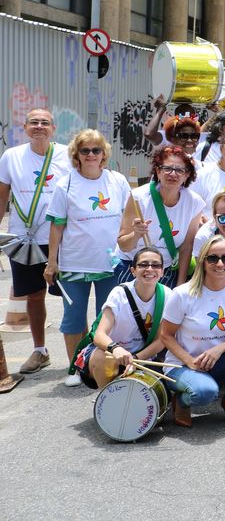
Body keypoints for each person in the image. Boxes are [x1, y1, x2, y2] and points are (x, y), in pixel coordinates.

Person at [43, 129, 132, 385]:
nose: (91, 155)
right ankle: (74, 369)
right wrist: (52, 261)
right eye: (85, 150)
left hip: (111, 263)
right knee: (74, 318)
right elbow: (56, 225)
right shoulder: (65, 184)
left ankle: (102, 365)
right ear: (76, 154)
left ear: (104, 154)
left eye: (96, 150)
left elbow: (129, 217)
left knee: (107, 319)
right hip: (74, 264)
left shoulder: (117, 180)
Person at [161, 237, 225, 426]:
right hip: (183, 364)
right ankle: (182, 401)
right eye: (213, 258)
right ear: (202, 261)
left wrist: (220, 349)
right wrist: (189, 361)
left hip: (217, 360)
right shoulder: (182, 293)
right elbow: (165, 335)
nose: (220, 263)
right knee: (205, 393)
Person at [0, 108, 71, 374]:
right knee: (33, 295)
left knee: (70, 294)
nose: (39, 126)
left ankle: (78, 354)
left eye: (44, 122)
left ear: (53, 128)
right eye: (34, 122)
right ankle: (40, 350)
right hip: (23, 238)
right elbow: (2, 197)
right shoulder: (12, 157)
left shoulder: (67, 154)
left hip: (61, 237)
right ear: (25, 127)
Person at [74, 247, 171, 389]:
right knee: (103, 357)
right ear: (133, 270)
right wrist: (115, 349)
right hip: (111, 353)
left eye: (156, 265)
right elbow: (99, 335)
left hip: (142, 356)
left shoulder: (167, 295)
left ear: (162, 271)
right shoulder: (119, 293)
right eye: (143, 264)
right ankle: (108, 400)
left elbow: (160, 341)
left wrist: (136, 359)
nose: (150, 269)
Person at [114, 146, 205, 287]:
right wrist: (136, 234)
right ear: (158, 171)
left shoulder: (194, 202)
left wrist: (180, 284)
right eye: (167, 168)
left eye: (180, 170)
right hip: (132, 267)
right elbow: (123, 245)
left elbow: (187, 247)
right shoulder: (138, 197)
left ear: (187, 175)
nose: (173, 174)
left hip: (165, 270)